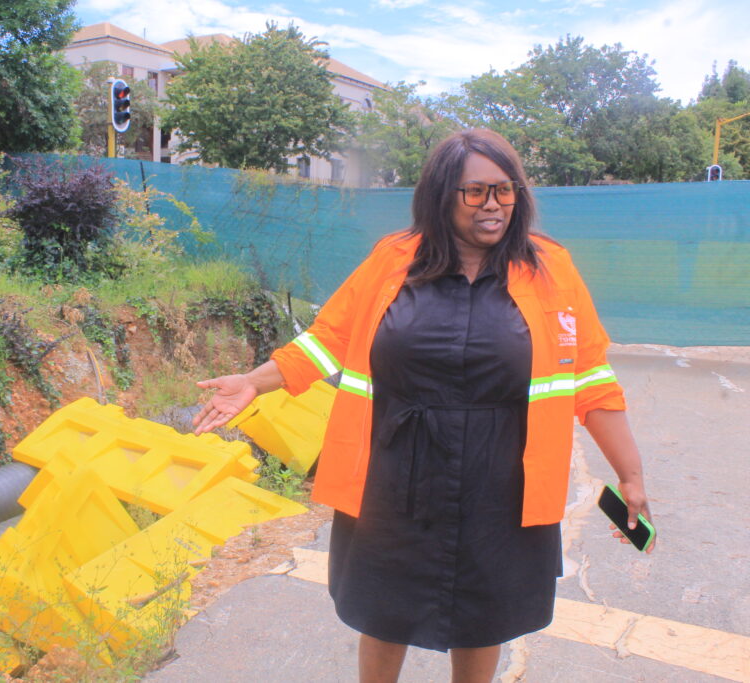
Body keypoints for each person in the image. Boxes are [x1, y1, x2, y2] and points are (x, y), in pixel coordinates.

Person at [192, 128, 654, 683]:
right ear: (440, 195)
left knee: (486, 617)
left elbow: (593, 379)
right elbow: (327, 339)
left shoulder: (550, 269)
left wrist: (631, 476)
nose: (493, 206)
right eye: (476, 192)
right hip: (395, 471)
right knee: (385, 611)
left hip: (504, 476)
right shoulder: (393, 260)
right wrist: (255, 381)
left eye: (504, 191)